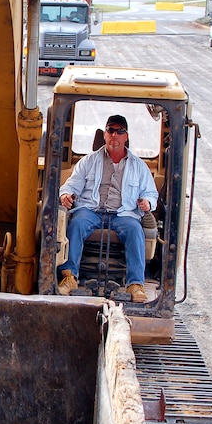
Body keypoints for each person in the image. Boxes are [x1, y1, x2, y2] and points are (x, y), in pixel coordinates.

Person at [56, 114, 158, 303]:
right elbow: (71, 185)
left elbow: (151, 194)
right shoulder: (89, 161)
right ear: (104, 134)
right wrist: (66, 195)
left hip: (123, 213)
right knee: (76, 224)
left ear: (126, 136)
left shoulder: (139, 166)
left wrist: (147, 202)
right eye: (111, 130)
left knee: (135, 230)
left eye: (120, 131)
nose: (115, 135)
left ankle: (136, 284)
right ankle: (69, 277)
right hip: (91, 210)